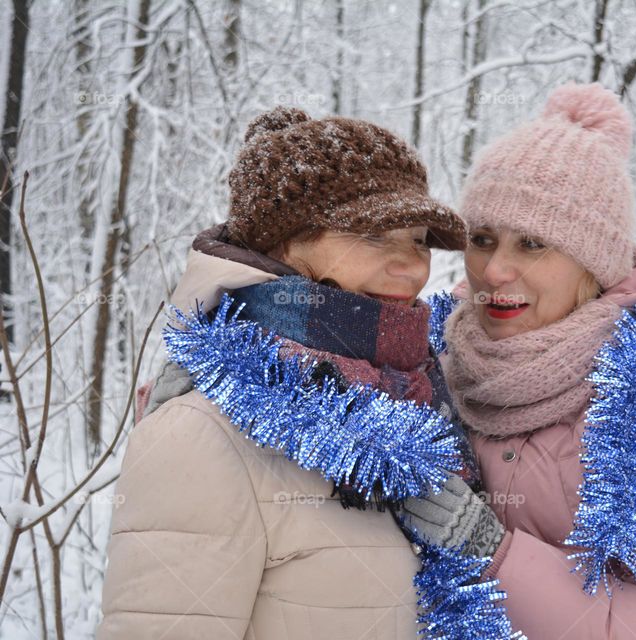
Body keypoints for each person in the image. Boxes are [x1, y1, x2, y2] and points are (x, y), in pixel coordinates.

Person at [96, 106, 500, 639]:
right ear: (285, 242)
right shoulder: (201, 435)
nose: (411, 266)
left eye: (419, 239)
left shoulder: (424, 401)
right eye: (375, 236)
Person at [400, 82, 636, 639]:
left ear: (593, 264)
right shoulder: (428, 368)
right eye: (483, 239)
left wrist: (497, 558)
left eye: (533, 244)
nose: (494, 271)